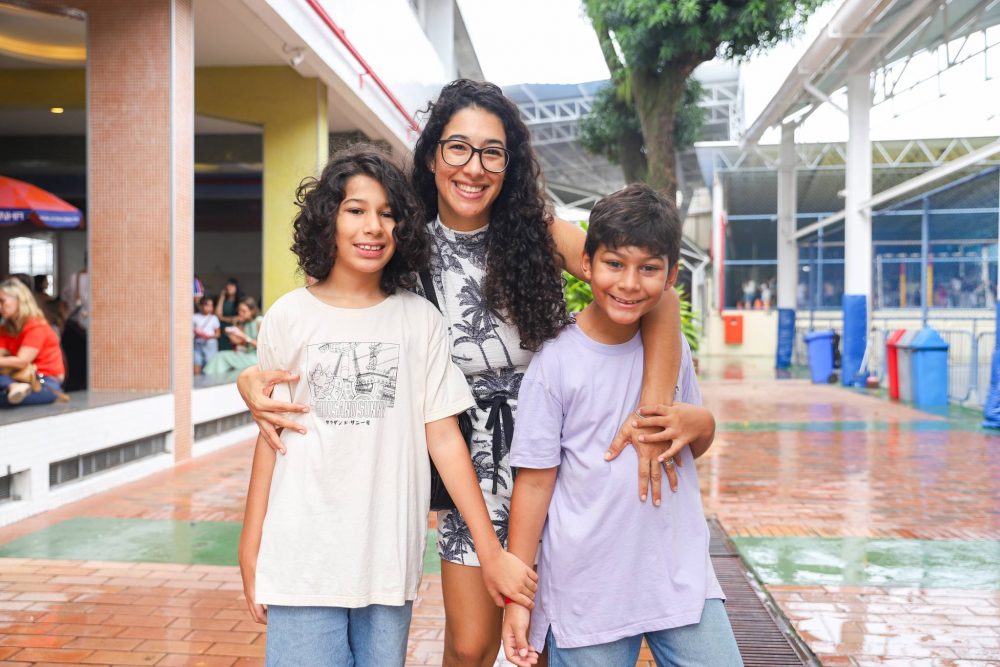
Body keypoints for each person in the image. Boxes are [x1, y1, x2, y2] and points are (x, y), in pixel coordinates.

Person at [237, 80, 684, 666]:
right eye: (459, 148)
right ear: (432, 154)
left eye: (492, 152)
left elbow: (655, 293)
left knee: (546, 638)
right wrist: (251, 379)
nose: (474, 167)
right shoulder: (400, 237)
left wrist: (652, 415)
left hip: (558, 454)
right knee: (472, 646)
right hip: (468, 461)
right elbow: (330, 321)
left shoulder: (539, 232)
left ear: (509, 164)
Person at [238, 146, 537, 666]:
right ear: (327, 219)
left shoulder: (420, 320)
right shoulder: (288, 317)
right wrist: (250, 542)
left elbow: (445, 440)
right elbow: (272, 436)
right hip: (301, 558)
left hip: (386, 562)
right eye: (355, 209)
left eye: (388, 213)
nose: (373, 227)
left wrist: (490, 552)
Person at [502, 184, 740, 667]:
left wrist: (702, 423)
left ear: (671, 276)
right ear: (586, 263)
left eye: (648, 268)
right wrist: (518, 598)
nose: (630, 283)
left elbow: (686, 445)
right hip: (588, 586)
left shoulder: (670, 349)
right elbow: (535, 482)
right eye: (615, 264)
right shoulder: (556, 361)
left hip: (676, 573)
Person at [0, 278, 67, 406]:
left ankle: (13, 387)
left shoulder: (36, 326)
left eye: (2, 301)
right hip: (15, 378)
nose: (0, 307)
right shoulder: (5, 328)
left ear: (19, 300)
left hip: (44, 382)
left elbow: (22, 361)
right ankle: (12, 386)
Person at [203, 297, 262, 376]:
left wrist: (244, 337)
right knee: (220, 355)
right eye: (239, 310)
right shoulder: (246, 323)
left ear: (252, 311)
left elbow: (263, 346)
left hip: (257, 359)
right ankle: (209, 377)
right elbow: (242, 343)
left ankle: (208, 377)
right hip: (247, 355)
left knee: (222, 357)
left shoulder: (259, 321)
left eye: (244, 311)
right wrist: (230, 334)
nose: (240, 313)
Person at [61, 260, 89, 391]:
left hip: (73, 326)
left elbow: (64, 299)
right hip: (81, 328)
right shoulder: (99, 278)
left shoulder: (75, 277)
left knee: (75, 364)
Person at [193, 296, 221, 375]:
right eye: (207, 305)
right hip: (198, 343)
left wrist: (209, 337)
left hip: (210, 344)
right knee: (196, 363)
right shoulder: (194, 317)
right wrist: (197, 333)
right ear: (201, 306)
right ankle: (197, 381)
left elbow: (218, 333)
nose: (210, 308)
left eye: (211, 305)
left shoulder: (214, 318)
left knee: (210, 366)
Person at [215, 278, 243, 351]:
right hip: (222, 329)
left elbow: (239, 318)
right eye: (228, 285)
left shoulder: (240, 301)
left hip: (233, 330)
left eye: (232, 286)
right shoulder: (224, 301)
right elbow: (217, 315)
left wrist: (223, 318)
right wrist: (222, 297)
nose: (229, 287)